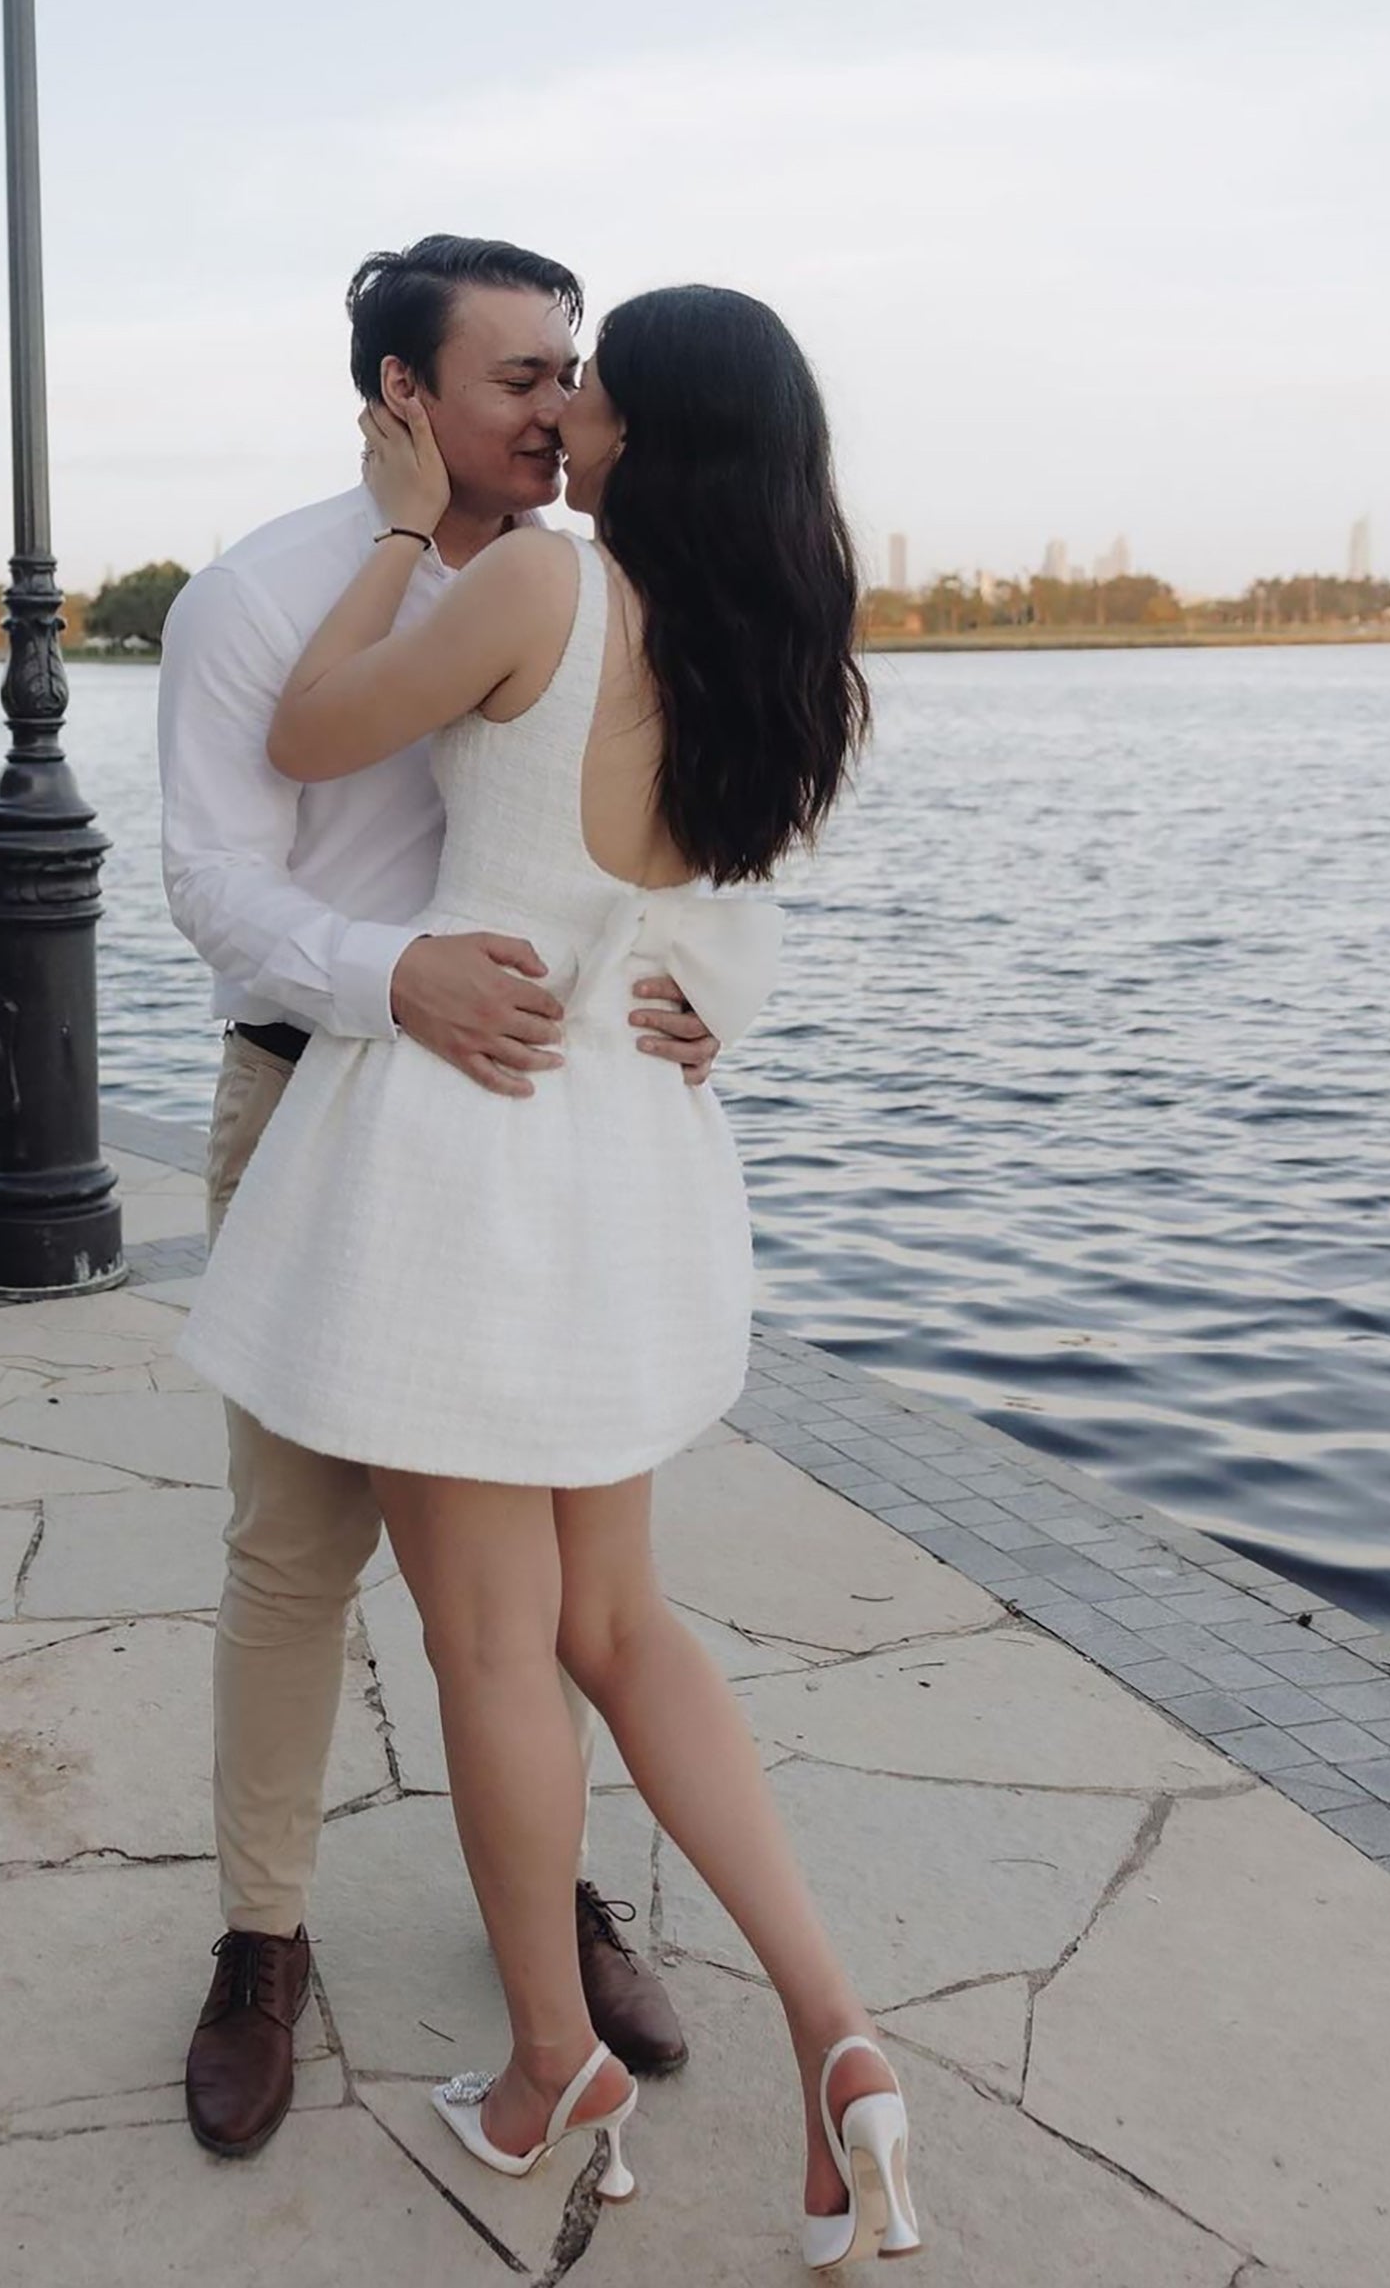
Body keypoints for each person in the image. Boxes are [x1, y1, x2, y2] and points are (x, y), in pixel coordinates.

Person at [182, 284, 923, 2267]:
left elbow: (306, 729)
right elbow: (719, 940)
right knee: (631, 1623)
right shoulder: (793, 656)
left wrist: (416, 540)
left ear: (646, 431)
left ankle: (544, 2067)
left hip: (463, 1148)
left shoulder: (543, 592)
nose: (566, 402)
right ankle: (837, 2031)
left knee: (498, 1648)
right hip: (631, 1162)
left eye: (592, 382)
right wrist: (703, 1006)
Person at [158, 235, 710, 2164]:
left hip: (537, 1149)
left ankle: (553, 1920)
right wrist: (388, 976)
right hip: (323, 1109)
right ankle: (260, 1938)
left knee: (555, 1593)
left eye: (574, 372)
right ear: (404, 396)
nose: (560, 411)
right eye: (518, 378)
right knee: (294, 1556)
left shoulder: (609, 578)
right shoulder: (256, 595)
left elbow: (711, 832)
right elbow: (215, 881)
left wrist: (704, 992)